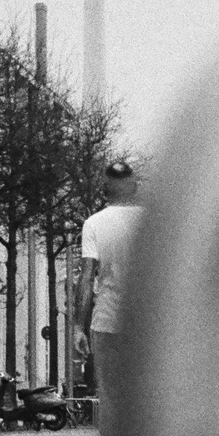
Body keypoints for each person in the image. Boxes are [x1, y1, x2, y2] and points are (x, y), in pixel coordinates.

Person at [79, 161, 144, 394]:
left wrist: (79, 327)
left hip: (106, 321)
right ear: (133, 186)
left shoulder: (93, 224)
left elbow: (86, 278)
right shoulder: (149, 222)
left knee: (109, 392)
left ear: (105, 188)